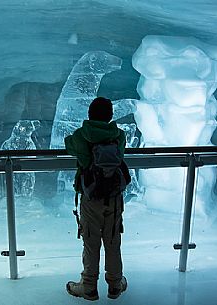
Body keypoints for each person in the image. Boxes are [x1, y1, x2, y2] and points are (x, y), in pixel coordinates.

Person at [65, 97, 130, 301]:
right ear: (110, 115)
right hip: (114, 196)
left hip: (91, 196)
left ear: (89, 115)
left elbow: (69, 145)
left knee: (91, 242)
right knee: (112, 240)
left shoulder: (81, 136)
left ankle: (89, 286)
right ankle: (115, 285)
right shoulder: (119, 136)